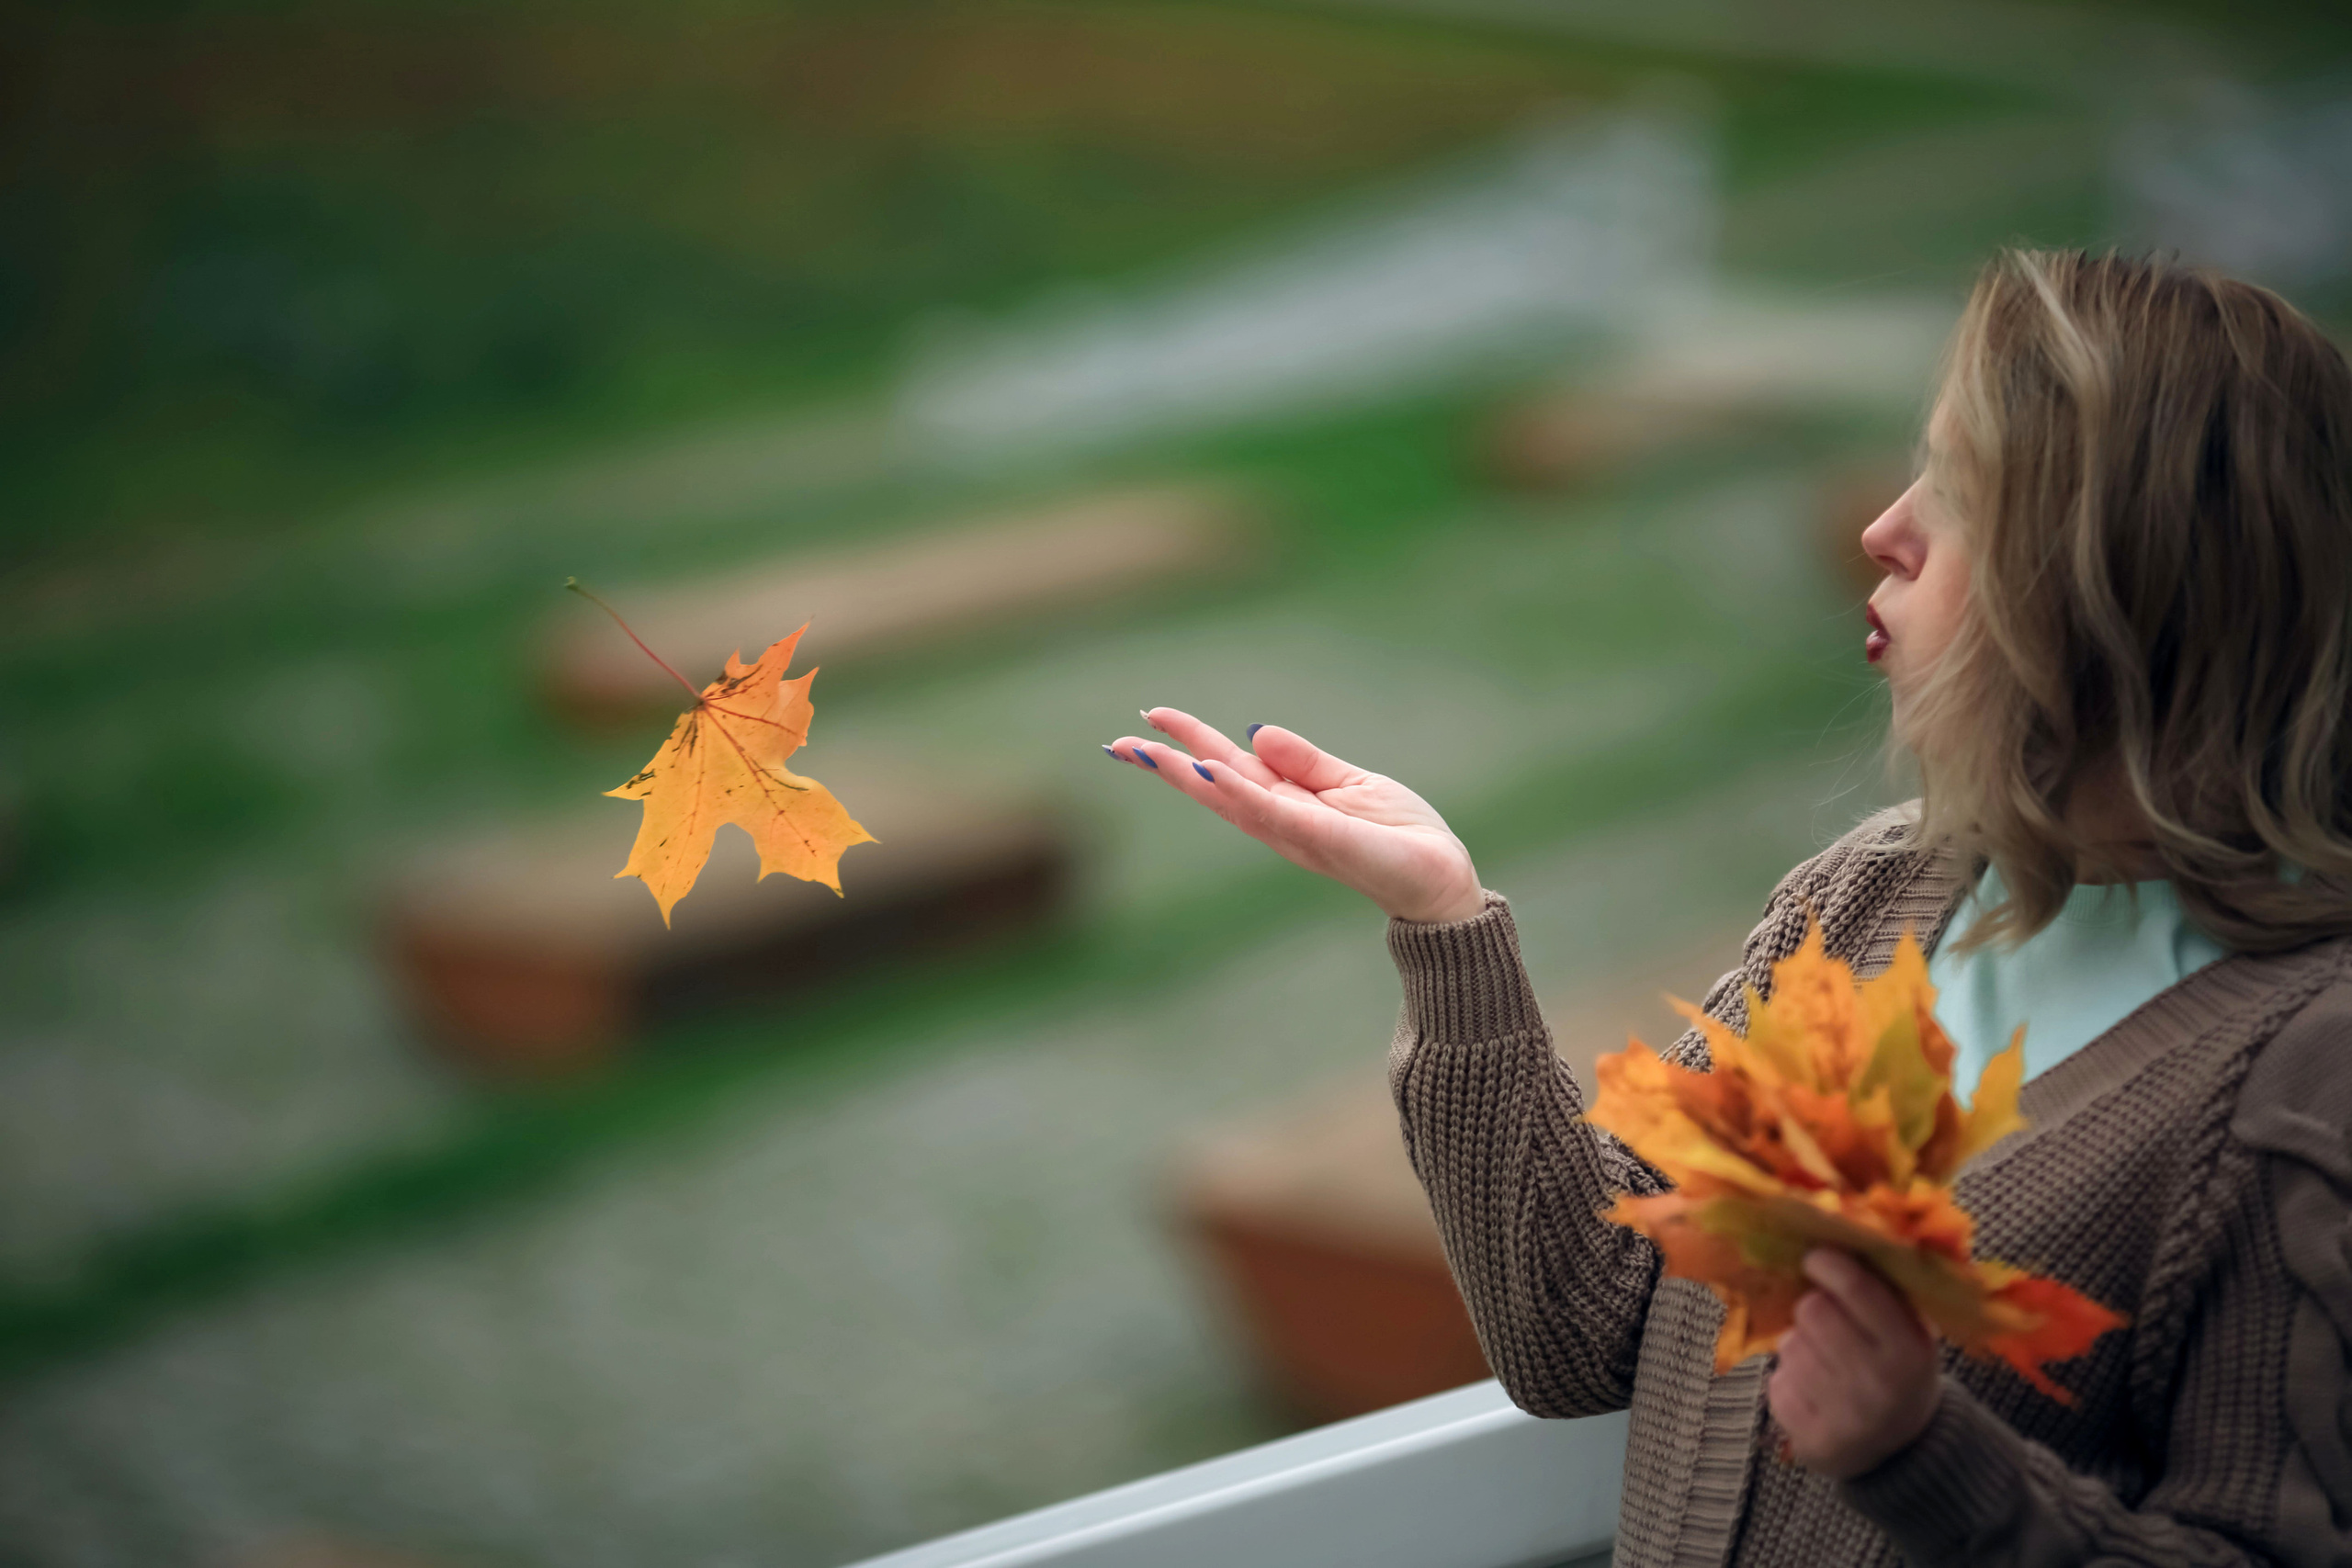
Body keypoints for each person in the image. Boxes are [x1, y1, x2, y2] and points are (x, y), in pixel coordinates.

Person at [1103, 250, 2352, 1567]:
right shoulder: (1875, 889)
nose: (1886, 526)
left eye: (1964, 491)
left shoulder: (2304, 1078)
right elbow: (1577, 1329)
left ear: (2126, 579)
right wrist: (1447, 925)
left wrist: (1919, 1457)